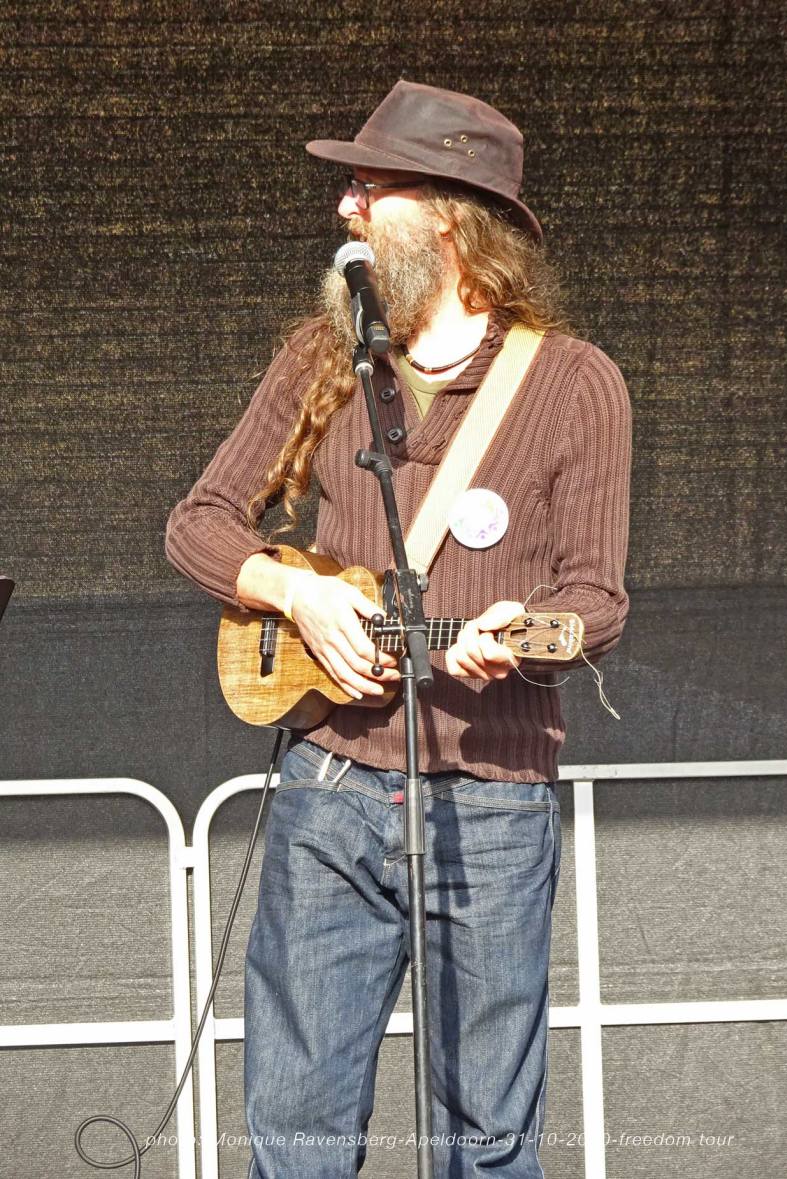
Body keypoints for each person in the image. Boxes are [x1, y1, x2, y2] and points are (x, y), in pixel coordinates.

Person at [166, 80, 631, 1179]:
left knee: (486, 1138)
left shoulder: (575, 382)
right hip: (327, 788)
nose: (346, 207)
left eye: (372, 187)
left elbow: (597, 601)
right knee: (297, 1128)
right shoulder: (322, 357)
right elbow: (199, 522)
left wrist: (526, 629)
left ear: (452, 221)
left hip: (491, 803)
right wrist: (299, 596)